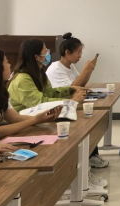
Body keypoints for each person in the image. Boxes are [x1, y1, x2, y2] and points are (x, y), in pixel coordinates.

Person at [46, 33, 108, 171]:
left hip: (73, 103)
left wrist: (89, 71)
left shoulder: (70, 66)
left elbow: (80, 85)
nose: (80, 55)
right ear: (67, 52)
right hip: (60, 107)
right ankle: (89, 156)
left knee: (92, 120)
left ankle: (92, 154)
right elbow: (70, 90)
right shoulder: (56, 69)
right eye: (78, 52)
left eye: (81, 52)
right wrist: (85, 70)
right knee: (87, 122)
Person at [0, 48, 62, 138]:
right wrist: (35, 120)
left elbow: (14, 117)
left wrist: (42, 119)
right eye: (6, 62)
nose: (10, 65)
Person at [8, 39, 87, 112]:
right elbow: (40, 102)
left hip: (33, 115)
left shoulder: (39, 73)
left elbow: (49, 92)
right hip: (20, 119)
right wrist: (71, 101)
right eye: (45, 51)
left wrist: (70, 89)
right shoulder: (22, 79)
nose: (48, 53)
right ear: (37, 57)